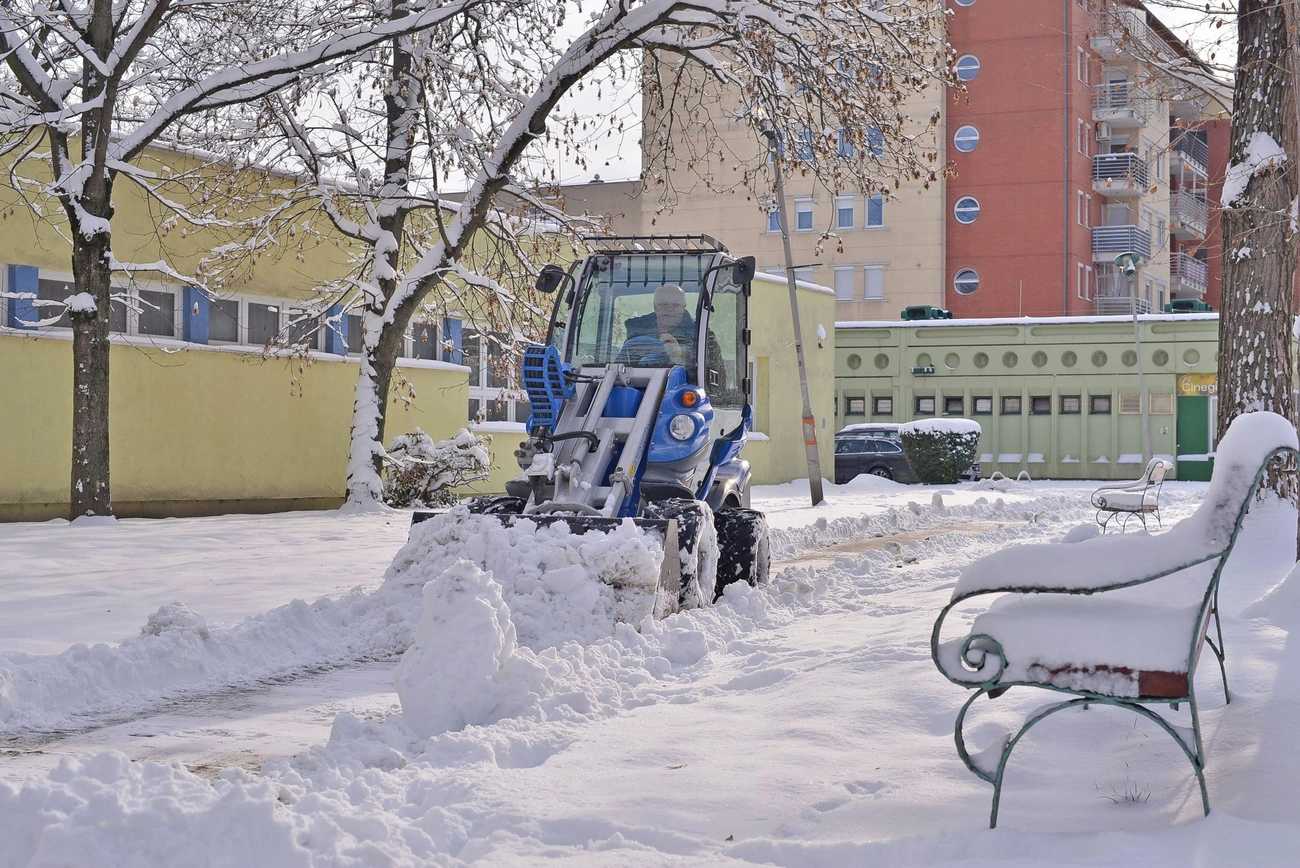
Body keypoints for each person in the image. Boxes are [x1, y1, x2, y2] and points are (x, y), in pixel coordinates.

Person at [619, 283, 728, 390]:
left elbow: (718, 382)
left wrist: (681, 357)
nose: (668, 310)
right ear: (655, 306)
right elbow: (619, 372)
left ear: (684, 307)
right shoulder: (636, 334)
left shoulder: (704, 338)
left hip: (686, 397)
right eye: (663, 304)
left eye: (675, 305)